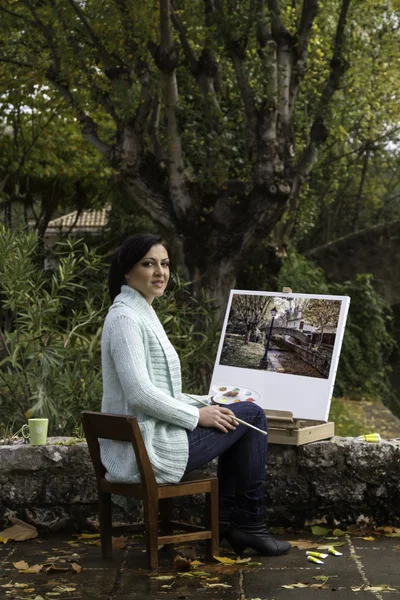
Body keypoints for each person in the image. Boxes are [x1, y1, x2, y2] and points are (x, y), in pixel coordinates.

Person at [100, 233, 290, 557]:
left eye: (164, 264)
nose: (160, 272)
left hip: (148, 435)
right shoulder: (125, 319)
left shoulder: (139, 311)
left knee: (234, 411)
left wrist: (204, 401)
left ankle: (232, 522)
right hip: (146, 448)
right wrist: (196, 415)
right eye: (149, 264)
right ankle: (246, 524)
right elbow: (140, 393)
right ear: (127, 272)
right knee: (253, 415)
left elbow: (159, 391)